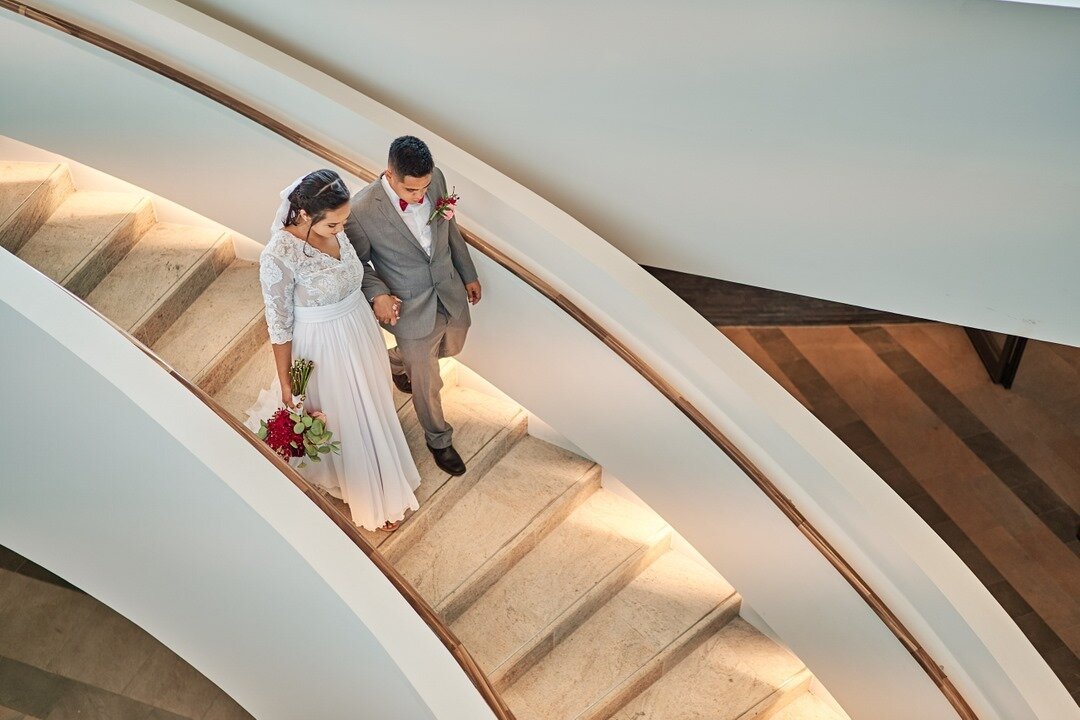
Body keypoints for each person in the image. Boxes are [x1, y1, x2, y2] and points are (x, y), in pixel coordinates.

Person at [246, 169, 420, 532]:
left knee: (370, 401)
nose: (341, 231)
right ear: (305, 216)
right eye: (332, 226)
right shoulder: (278, 256)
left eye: (344, 222)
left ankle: (383, 464)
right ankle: (369, 494)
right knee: (344, 415)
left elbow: (357, 270)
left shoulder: (337, 227)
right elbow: (279, 325)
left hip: (359, 328)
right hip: (322, 345)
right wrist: (287, 382)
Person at [344, 136, 481, 476]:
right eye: (411, 191)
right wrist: (378, 295)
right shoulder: (360, 211)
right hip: (408, 307)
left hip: (448, 290)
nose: (420, 197)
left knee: (453, 343)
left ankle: (397, 361)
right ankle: (439, 439)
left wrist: (468, 274)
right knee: (428, 380)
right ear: (390, 175)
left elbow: (451, 231)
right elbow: (359, 266)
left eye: (425, 189)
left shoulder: (436, 179)